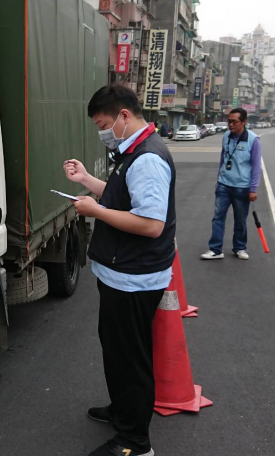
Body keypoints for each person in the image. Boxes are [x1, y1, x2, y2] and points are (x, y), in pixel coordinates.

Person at [64, 84, 176, 456]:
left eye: (103, 124)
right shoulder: (131, 152)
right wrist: (86, 181)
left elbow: (150, 223)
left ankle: (134, 442)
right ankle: (123, 411)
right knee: (117, 350)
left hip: (134, 278)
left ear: (124, 116)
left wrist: (94, 212)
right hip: (122, 274)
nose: (102, 132)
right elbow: (118, 196)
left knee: (129, 357)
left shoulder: (146, 158)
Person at [200, 107, 262, 261]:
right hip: (223, 184)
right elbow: (223, 157)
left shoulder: (253, 140)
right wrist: (219, 177)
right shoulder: (226, 136)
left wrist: (253, 189)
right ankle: (215, 249)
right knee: (217, 217)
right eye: (229, 121)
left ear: (244, 122)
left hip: (242, 187)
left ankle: (240, 247)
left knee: (240, 219)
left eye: (234, 122)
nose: (231, 125)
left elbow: (256, 166)